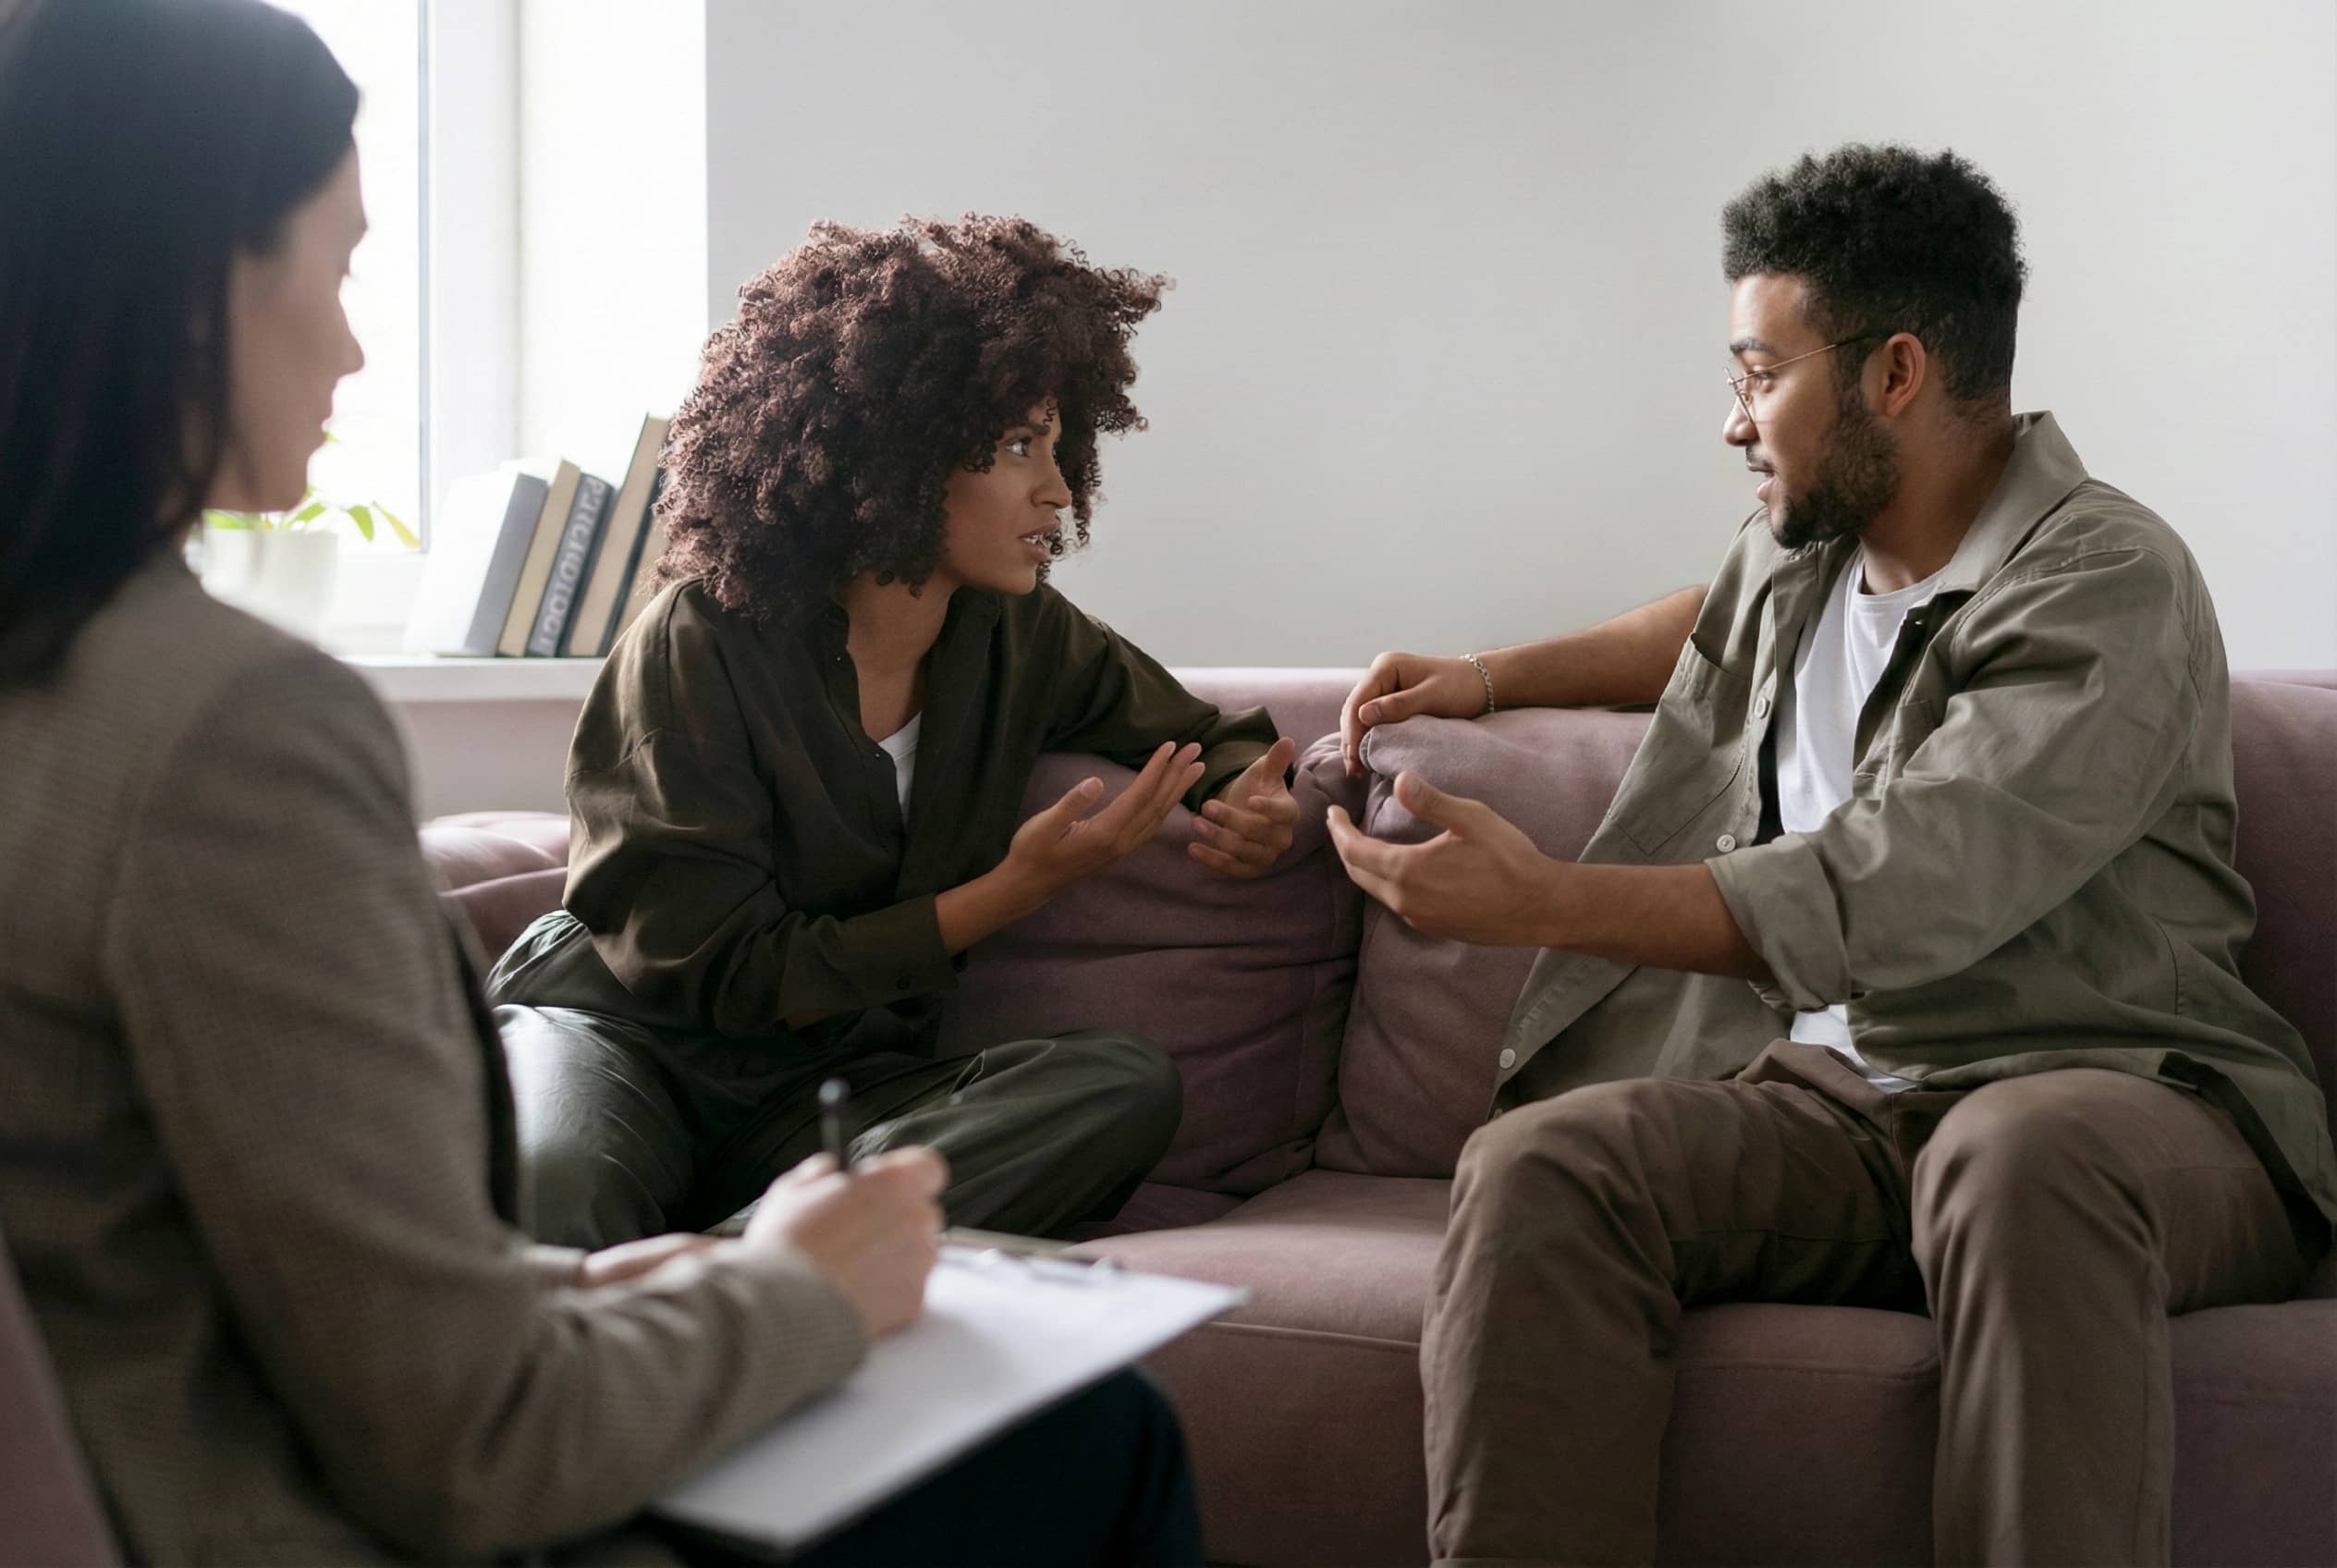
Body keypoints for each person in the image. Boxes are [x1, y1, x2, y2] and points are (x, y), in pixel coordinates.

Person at [0, 2, 1199, 1562]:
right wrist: (789, 1293)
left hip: (297, 1405)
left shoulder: (1019, 638)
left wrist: (612, 1294)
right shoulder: (238, 733)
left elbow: (209, 1259)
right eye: (341, 262)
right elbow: (474, 1440)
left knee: (1097, 1101)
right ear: (185, 279)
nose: (358, 342)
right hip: (340, 1490)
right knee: (1102, 1441)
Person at [1330, 144, 2334, 1566]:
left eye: (1758, 375)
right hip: (1850, 1108)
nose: (1731, 423)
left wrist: (1546, 902)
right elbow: (1704, 620)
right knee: (1545, 1165)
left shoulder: (2111, 581)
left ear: (1895, 375)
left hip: (2123, 1097)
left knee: (2014, 1156)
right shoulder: (1808, 547)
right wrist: (1489, 676)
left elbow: (1901, 879)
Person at [485, 214, 1302, 1250]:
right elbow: (714, 972)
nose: (1055, 488)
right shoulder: (700, 639)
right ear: (895, 457)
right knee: (560, 1195)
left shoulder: (1021, 632)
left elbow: (1200, 732)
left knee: (1119, 1085)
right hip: (622, 1041)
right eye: (1014, 447)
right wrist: (1009, 890)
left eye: (1057, 446)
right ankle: (771, 1280)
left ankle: (733, 1281)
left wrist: (1246, 796)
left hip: (826, 1092)